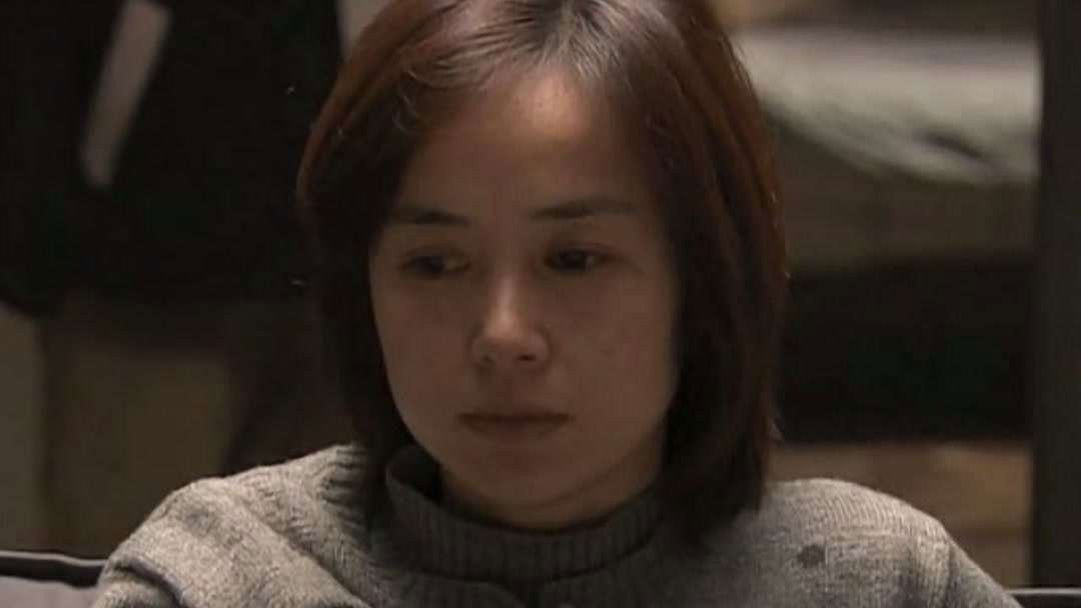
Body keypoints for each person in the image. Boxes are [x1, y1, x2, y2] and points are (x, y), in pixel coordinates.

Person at [92, 0, 1022, 606]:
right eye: (433, 264)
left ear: (701, 280)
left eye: (574, 260)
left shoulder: (871, 580)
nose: (503, 335)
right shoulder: (224, 577)